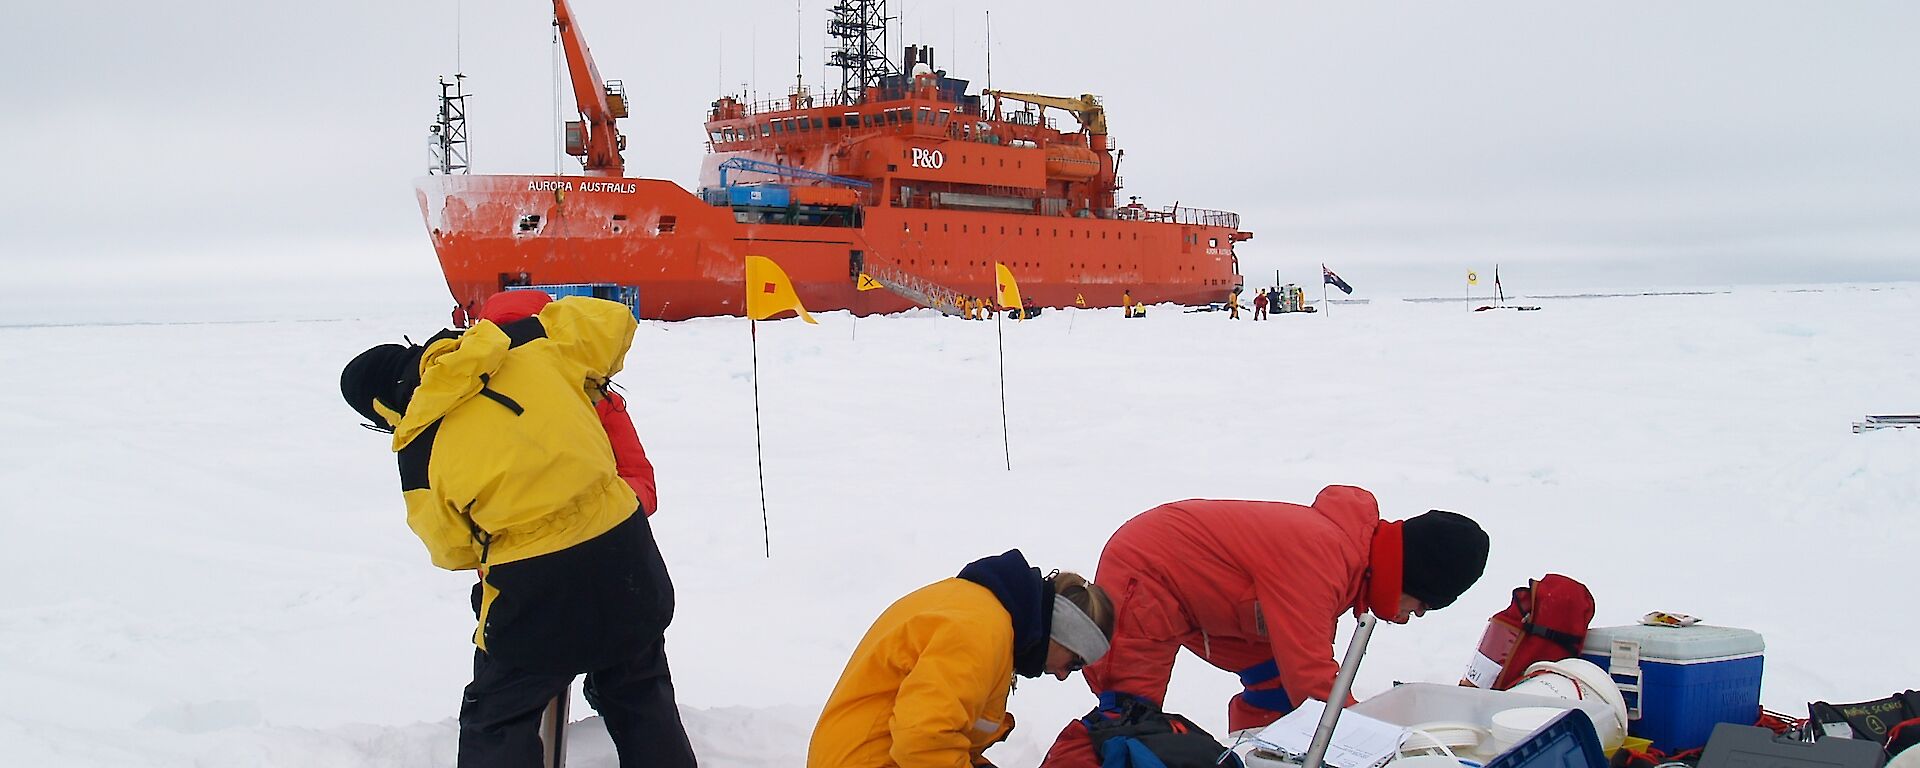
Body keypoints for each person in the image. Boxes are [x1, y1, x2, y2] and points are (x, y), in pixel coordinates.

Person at [340, 296, 694, 768]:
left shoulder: (418, 445)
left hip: (534, 594)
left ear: (381, 406)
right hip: (627, 556)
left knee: (497, 718)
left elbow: (451, 549)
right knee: (637, 685)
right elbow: (612, 323)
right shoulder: (526, 348)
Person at [1040, 487, 1489, 768]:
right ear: (1411, 576)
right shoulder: (1324, 556)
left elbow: (1297, 676)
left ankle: (1258, 755)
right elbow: (1314, 681)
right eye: (1423, 605)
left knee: (1275, 683)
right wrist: (1376, 749)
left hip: (1205, 596)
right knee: (1129, 715)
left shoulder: (1346, 564)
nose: (1412, 617)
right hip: (1150, 575)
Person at [810, 549, 1115, 768]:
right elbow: (921, 741)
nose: (1063, 675)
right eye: (1074, 663)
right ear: (1062, 632)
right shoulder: (979, 632)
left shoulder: (985, 612)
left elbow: (936, 731)